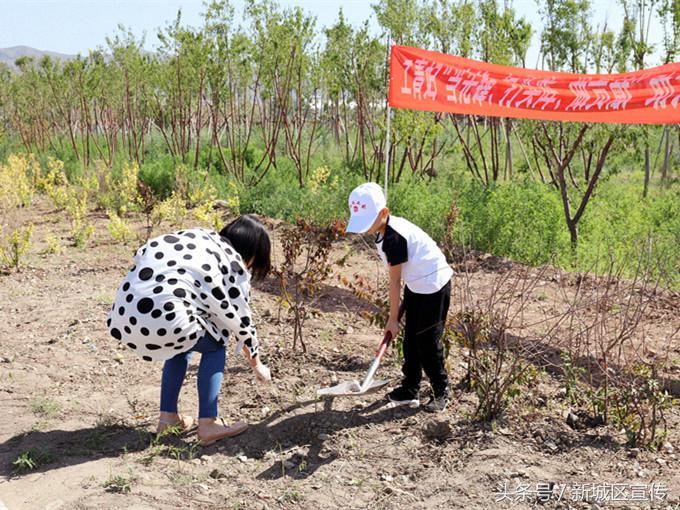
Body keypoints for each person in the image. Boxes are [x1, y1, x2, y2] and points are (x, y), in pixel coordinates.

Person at [107, 215, 272, 445]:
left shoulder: (201, 237)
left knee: (183, 342)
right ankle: (208, 423)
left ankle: (168, 419)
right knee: (215, 346)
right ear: (251, 253)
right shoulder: (232, 263)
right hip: (164, 318)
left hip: (125, 313)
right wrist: (257, 364)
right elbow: (241, 322)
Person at [345, 183, 453, 412]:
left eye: (368, 222)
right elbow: (400, 278)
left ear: (384, 213)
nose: (365, 229)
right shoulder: (384, 231)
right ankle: (410, 388)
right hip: (417, 283)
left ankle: (440, 390)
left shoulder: (394, 238)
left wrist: (393, 319)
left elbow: (394, 283)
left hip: (434, 285)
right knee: (411, 340)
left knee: (427, 340)